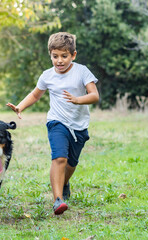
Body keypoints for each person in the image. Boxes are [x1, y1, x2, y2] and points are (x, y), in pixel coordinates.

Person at [6, 32, 99, 215]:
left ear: (73, 55)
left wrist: (78, 100)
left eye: (64, 56)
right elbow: (35, 94)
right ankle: (58, 200)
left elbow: (94, 95)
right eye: (55, 56)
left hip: (79, 126)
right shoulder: (47, 76)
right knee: (59, 158)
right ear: (50, 55)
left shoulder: (82, 71)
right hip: (57, 122)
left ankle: (64, 183)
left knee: (71, 164)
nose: (59, 61)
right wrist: (20, 107)